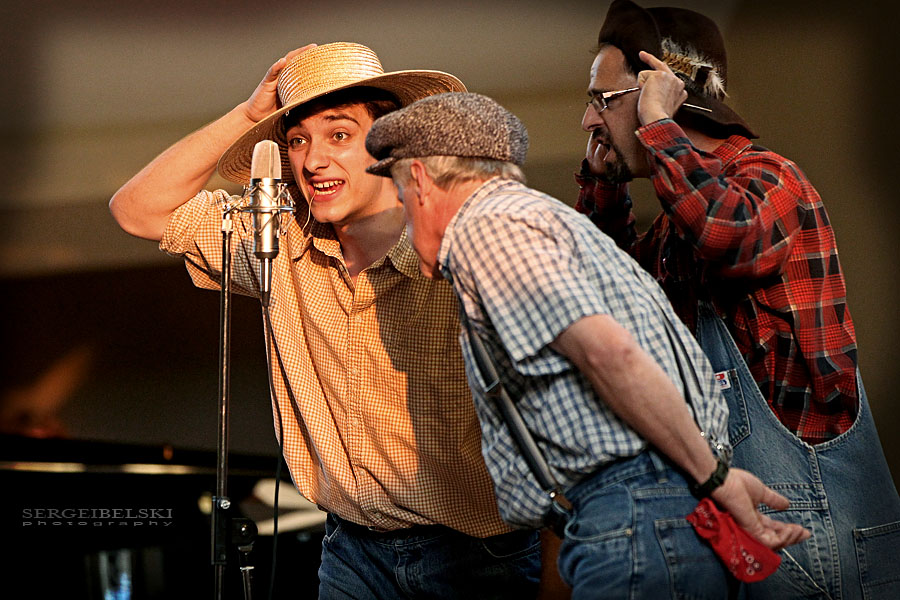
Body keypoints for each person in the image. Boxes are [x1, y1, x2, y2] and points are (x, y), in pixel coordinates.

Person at [109, 42, 542, 599]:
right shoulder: (276, 243)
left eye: (339, 135)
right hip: (352, 552)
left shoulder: (464, 252)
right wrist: (248, 115)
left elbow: (556, 426)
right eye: (296, 140)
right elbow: (137, 209)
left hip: (481, 557)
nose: (313, 160)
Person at [364, 90, 810, 599]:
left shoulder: (486, 227)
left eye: (400, 196)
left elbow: (609, 354)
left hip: (635, 514)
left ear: (419, 179)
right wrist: (712, 477)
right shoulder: (541, 219)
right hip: (656, 509)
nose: (403, 213)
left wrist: (717, 481)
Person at [573, 1, 900, 598]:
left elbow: (732, 237)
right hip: (745, 523)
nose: (589, 121)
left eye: (603, 100)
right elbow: (604, 297)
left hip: (820, 528)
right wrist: (601, 181)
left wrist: (654, 125)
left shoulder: (772, 179)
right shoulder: (674, 229)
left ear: (659, 91)